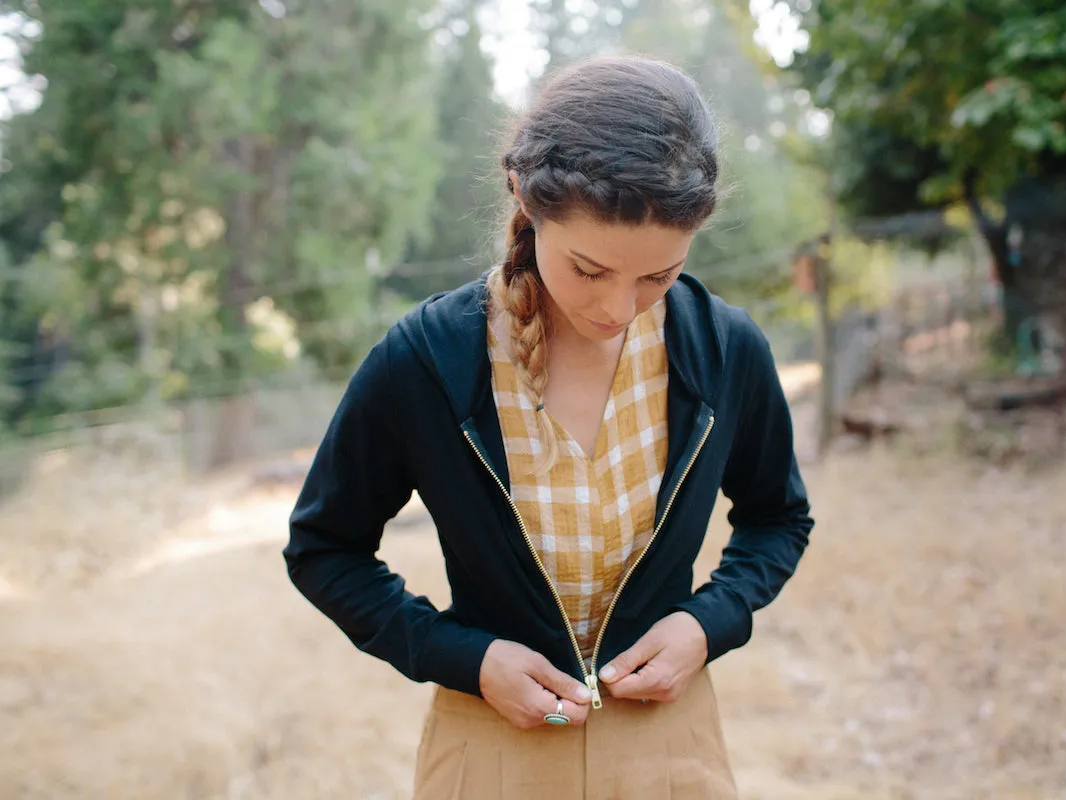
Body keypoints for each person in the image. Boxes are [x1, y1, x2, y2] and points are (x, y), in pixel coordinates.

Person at [283, 55, 814, 799]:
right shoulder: (426, 362)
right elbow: (323, 548)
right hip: (491, 748)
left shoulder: (726, 351)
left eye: (658, 277)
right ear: (523, 202)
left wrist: (708, 623)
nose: (619, 309)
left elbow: (778, 518)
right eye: (590, 270)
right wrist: (465, 657)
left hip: (671, 752)